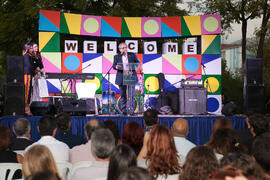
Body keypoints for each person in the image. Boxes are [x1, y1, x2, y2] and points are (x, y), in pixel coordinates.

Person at [113, 42, 140, 115]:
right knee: (123, 95)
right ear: (120, 49)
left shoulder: (132, 55)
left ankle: (131, 111)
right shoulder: (117, 56)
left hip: (131, 76)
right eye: (123, 48)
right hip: (121, 78)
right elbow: (114, 66)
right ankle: (124, 111)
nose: (124, 49)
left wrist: (137, 65)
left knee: (131, 95)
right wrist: (116, 67)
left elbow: (138, 63)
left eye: (125, 47)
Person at [23, 43, 34, 115]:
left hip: (29, 74)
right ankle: (26, 109)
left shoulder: (29, 56)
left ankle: (27, 108)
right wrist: (34, 71)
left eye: (32, 48)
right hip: (27, 74)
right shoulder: (26, 56)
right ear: (27, 49)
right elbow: (29, 66)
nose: (32, 49)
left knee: (28, 91)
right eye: (30, 48)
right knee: (26, 91)